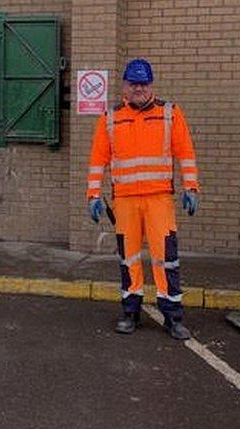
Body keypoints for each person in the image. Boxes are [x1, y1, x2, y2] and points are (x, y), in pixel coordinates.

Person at [85, 58, 200, 340]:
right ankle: (130, 312)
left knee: (166, 259)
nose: (139, 88)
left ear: (152, 84)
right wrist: (93, 194)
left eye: (143, 83)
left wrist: (191, 187)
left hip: (159, 199)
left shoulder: (170, 113)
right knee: (129, 258)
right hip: (125, 201)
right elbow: (98, 159)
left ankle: (172, 317)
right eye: (133, 83)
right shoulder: (110, 118)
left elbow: (185, 152)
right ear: (125, 85)